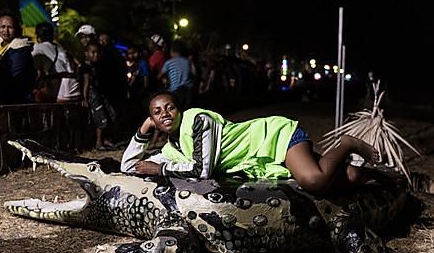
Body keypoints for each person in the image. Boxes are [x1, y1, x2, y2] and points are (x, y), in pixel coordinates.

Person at [121, 92, 380, 195]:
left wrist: (160, 170)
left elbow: (202, 171)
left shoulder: (198, 120)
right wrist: (144, 130)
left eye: (170, 107)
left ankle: (347, 143)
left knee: (314, 181)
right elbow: (128, 166)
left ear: (179, 110)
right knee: (349, 176)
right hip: (262, 162)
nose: (165, 113)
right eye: (157, 112)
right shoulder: (171, 149)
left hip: (273, 137)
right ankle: (385, 178)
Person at [0, 13, 36, 103]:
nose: (6, 31)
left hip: (15, 96)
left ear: (16, 29)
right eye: (3, 27)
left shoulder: (20, 49)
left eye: (10, 27)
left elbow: (14, 75)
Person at [32, 22, 80, 103]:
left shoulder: (37, 48)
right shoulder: (60, 47)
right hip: (75, 86)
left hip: (61, 88)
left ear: (38, 35)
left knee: (34, 95)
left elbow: (36, 70)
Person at [80, 42, 116, 150]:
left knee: (111, 115)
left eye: (97, 53)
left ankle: (106, 139)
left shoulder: (98, 65)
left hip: (101, 95)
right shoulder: (85, 67)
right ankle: (98, 142)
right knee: (100, 118)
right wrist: (85, 99)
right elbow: (86, 83)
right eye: (93, 52)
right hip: (92, 96)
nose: (96, 55)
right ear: (86, 53)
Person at [160, 39, 195, 110]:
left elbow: (160, 75)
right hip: (188, 91)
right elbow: (194, 74)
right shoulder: (187, 61)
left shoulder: (169, 63)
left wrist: (164, 80)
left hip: (175, 91)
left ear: (172, 51)